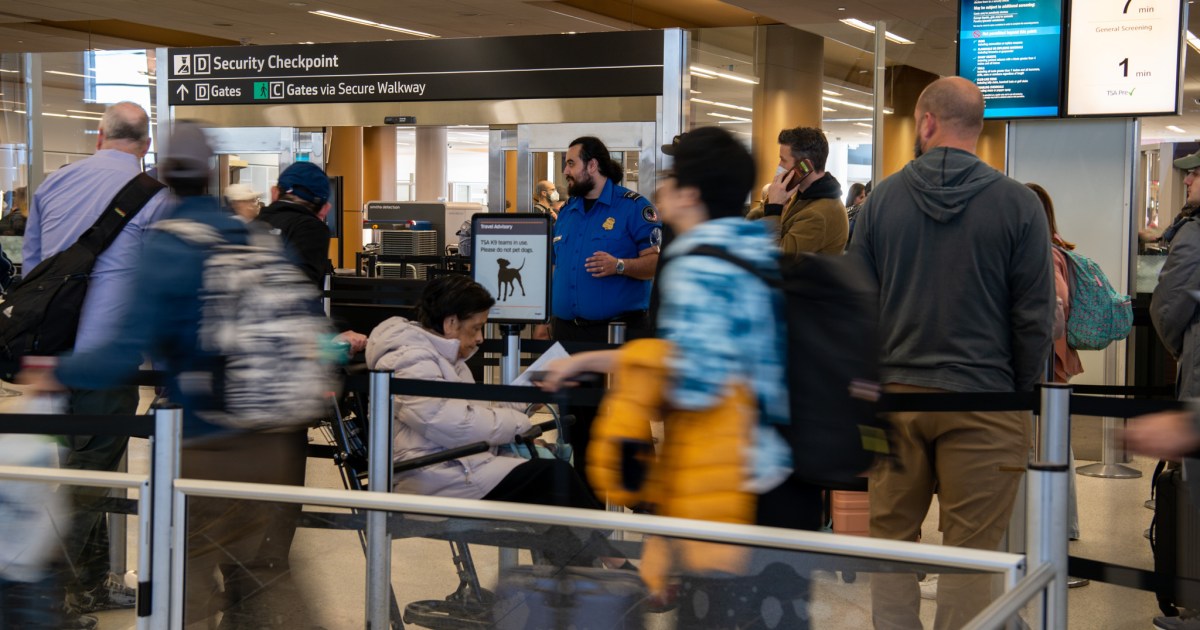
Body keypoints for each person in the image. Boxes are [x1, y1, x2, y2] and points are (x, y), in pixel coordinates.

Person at [26, 121, 318, 628]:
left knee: (183, 582)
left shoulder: (172, 244)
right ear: (211, 175)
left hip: (209, 444)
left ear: (162, 175)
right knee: (265, 577)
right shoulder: (256, 237)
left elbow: (122, 349)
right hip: (275, 442)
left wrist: (56, 368)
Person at [542, 127, 819, 626]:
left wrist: (593, 363)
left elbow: (694, 377)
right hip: (781, 480)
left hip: (734, 496)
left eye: (670, 177)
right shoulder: (752, 247)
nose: (661, 187)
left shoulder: (698, 263)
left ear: (690, 195)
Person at [846, 77, 1055, 630]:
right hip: (985, 400)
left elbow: (855, 309)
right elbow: (1034, 318)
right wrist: (1018, 392)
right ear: (978, 127)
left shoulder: (878, 202)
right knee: (972, 554)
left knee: (890, 544)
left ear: (926, 122)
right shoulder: (1020, 205)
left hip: (890, 405)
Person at [22, 101, 172, 623]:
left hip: (50, 356)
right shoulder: (156, 197)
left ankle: (86, 584)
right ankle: (46, 589)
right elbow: (158, 289)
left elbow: (33, 267)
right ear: (146, 145)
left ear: (99, 138)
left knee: (83, 466)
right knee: (92, 472)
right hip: (107, 359)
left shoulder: (52, 185)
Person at [551, 135, 661, 496]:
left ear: (592, 165)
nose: (565, 171)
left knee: (626, 419)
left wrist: (620, 265)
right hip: (569, 333)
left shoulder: (633, 208)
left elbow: (656, 261)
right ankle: (586, 501)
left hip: (618, 333)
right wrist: (545, 319)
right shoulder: (568, 211)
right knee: (575, 421)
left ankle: (643, 499)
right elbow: (558, 267)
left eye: (570, 163)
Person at [1027, 182, 1089, 588]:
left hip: (1045, 366)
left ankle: (1058, 528)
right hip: (1050, 365)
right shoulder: (1052, 247)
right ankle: (1062, 525)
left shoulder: (1044, 253)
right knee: (1054, 441)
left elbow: (1056, 307)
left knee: (1051, 444)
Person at [256, 162, 367, 354]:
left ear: (274, 193)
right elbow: (300, 292)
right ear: (324, 209)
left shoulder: (250, 226)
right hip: (284, 350)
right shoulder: (310, 229)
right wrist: (332, 339)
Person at [746, 126, 848, 256]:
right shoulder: (803, 197)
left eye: (783, 160)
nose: (779, 166)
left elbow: (777, 260)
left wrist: (774, 208)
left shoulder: (818, 214)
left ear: (804, 166)